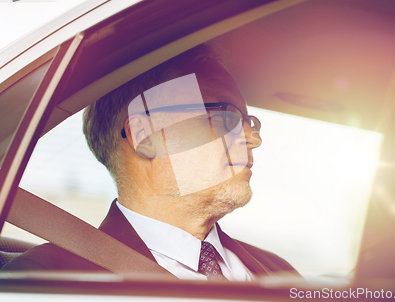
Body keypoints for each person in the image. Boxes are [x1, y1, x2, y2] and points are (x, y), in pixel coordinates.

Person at [2, 44, 298, 280]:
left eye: (249, 122)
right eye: (225, 117)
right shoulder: (48, 280)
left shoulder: (280, 273)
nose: (253, 139)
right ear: (146, 136)